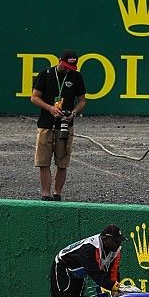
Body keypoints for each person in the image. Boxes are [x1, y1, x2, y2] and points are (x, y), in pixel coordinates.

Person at [30, 50, 87, 202]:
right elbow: (34, 97)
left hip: (65, 125)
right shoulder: (45, 74)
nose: (68, 69)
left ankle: (57, 193)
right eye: (66, 65)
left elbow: (82, 100)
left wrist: (73, 113)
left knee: (62, 161)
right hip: (46, 123)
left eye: (71, 66)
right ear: (59, 60)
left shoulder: (76, 77)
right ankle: (45, 194)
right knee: (43, 161)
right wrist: (50, 108)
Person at [50, 224, 140, 297]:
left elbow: (114, 272)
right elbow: (96, 273)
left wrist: (117, 290)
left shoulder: (115, 250)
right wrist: (117, 287)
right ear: (105, 239)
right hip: (63, 266)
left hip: (80, 272)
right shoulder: (90, 248)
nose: (118, 244)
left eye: (120, 241)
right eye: (116, 241)